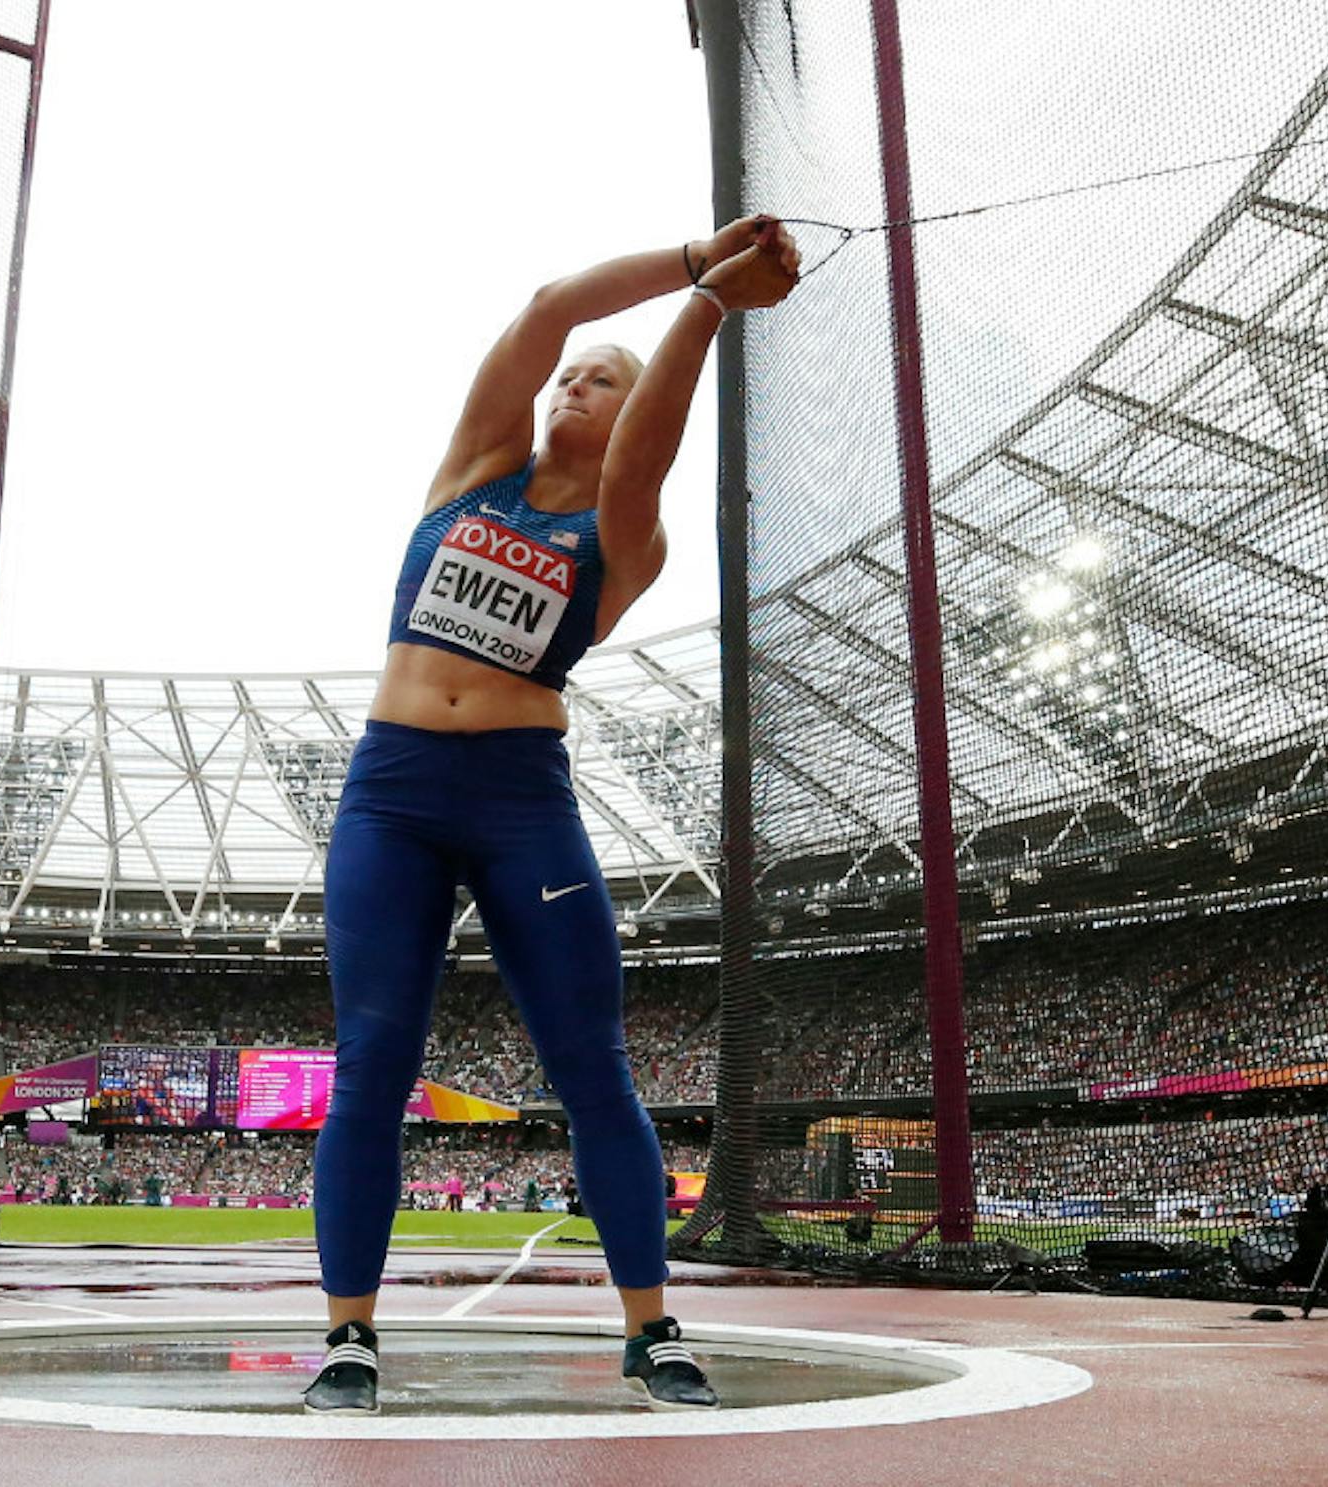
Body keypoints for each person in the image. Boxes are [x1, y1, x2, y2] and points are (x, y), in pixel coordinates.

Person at [303, 217, 799, 1418]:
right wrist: (693, 260)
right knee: (372, 1061)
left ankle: (653, 1325)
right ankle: (351, 1335)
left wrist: (708, 311)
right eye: (573, 375)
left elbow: (645, 459)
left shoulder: (626, 535)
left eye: (604, 381)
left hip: (523, 797)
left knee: (594, 1069)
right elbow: (542, 310)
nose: (577, 382)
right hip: (395, 789)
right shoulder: (478, 469)